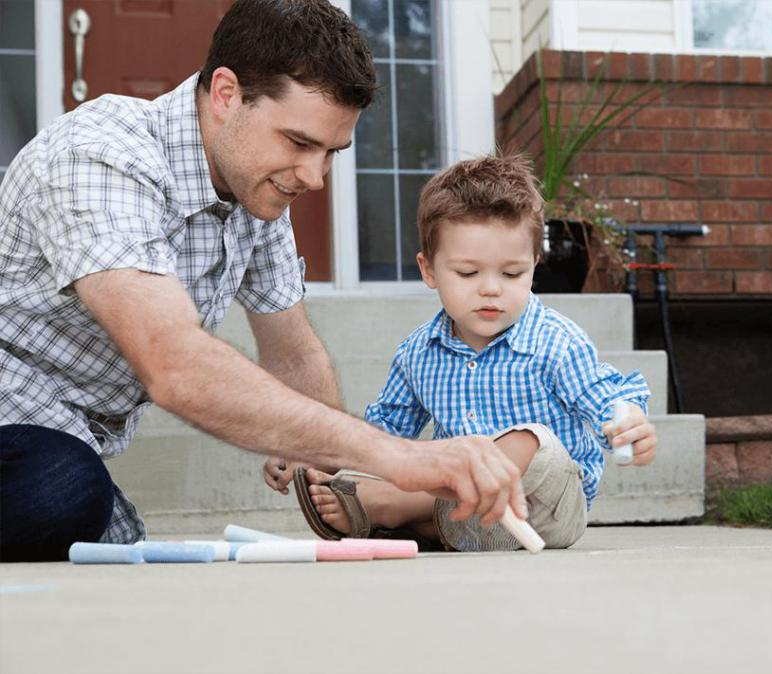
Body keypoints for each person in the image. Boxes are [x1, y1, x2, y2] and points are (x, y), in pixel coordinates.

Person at [0, 0, 525, 563]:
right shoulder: (100, 158)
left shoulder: (256, 191)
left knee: (98, 516)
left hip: (55, 439)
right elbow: (174, 366)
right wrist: (401, 457)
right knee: (67, 487)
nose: (315, 178)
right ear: (227, 95)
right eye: (299, 143)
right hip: (18, 419)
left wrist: (351, 489)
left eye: (331, 153)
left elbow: (293, 355)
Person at [266, 154, 657, 551]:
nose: (491, 289)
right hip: (472, 518)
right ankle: (429, 525)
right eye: (468, 273)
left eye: (512, 273)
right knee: (404, 458)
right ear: (429, 270)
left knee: (533, 441)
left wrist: (628, 422)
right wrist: (312, 454)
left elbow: (605, 395)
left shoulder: (555, 342)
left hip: (542, 510)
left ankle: (399, 508)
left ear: (534, 267)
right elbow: (383, 435)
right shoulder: (418, 353)